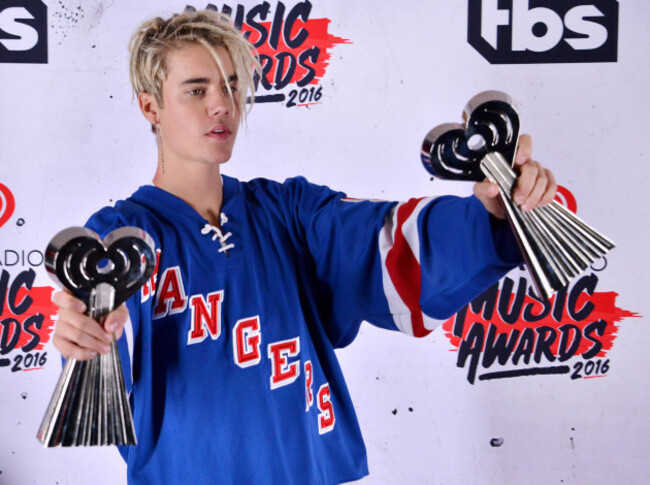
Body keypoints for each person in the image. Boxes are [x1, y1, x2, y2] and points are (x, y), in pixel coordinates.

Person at [50, 9, 556, 485]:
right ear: (150, 106)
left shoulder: (287, 210)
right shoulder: (124, 236)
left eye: (230, 85)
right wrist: (83, 332)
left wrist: (490, 212)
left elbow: (386, 240)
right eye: (196, 89)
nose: (222, 103)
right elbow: (98, 333)